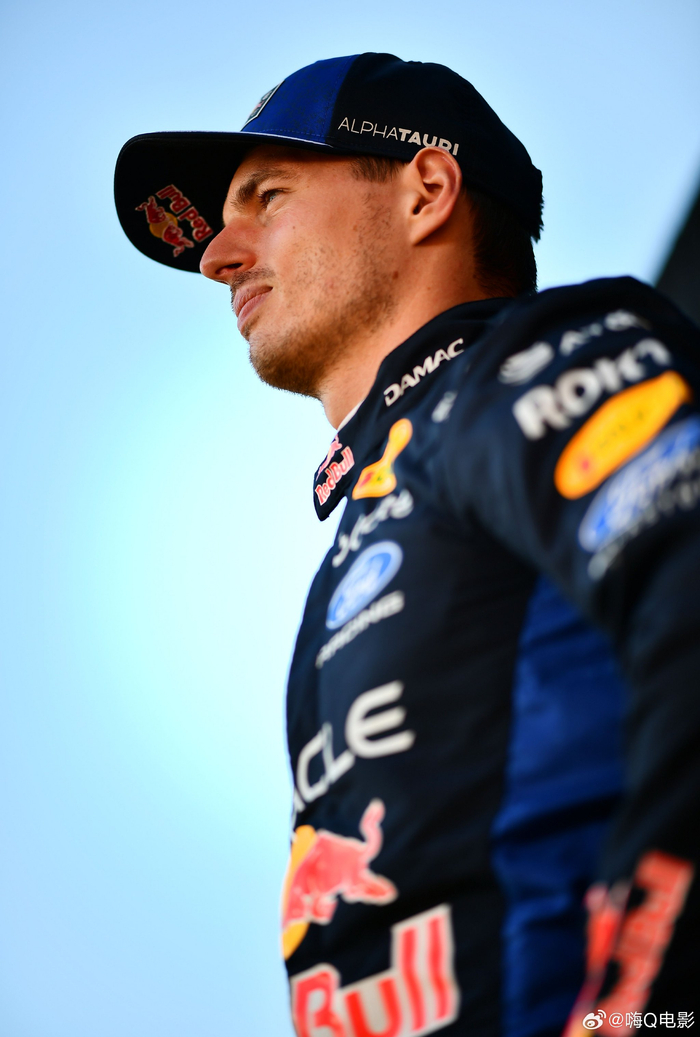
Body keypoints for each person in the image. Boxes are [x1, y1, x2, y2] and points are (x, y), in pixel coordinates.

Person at [114, 53, 700, 1037]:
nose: (218, 256)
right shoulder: (372, 516)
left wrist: (647, 1007)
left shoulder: (531, 366)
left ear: (426, 190)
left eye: (266, 196)